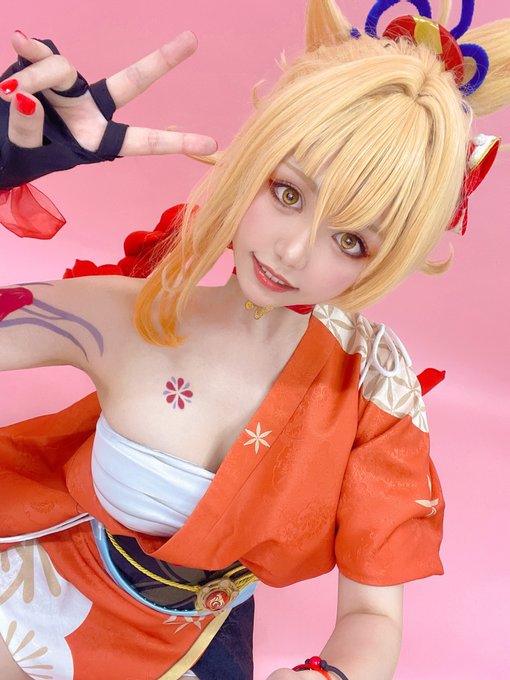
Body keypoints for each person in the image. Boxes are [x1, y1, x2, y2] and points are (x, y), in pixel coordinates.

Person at [0, 1, 508, 679]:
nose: (294, 252)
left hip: (203, 648)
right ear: (253, 162)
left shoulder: (371, 393)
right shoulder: (128, 315)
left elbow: (373, 615)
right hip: (32, 598)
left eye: (351, 240)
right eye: (289, 194)